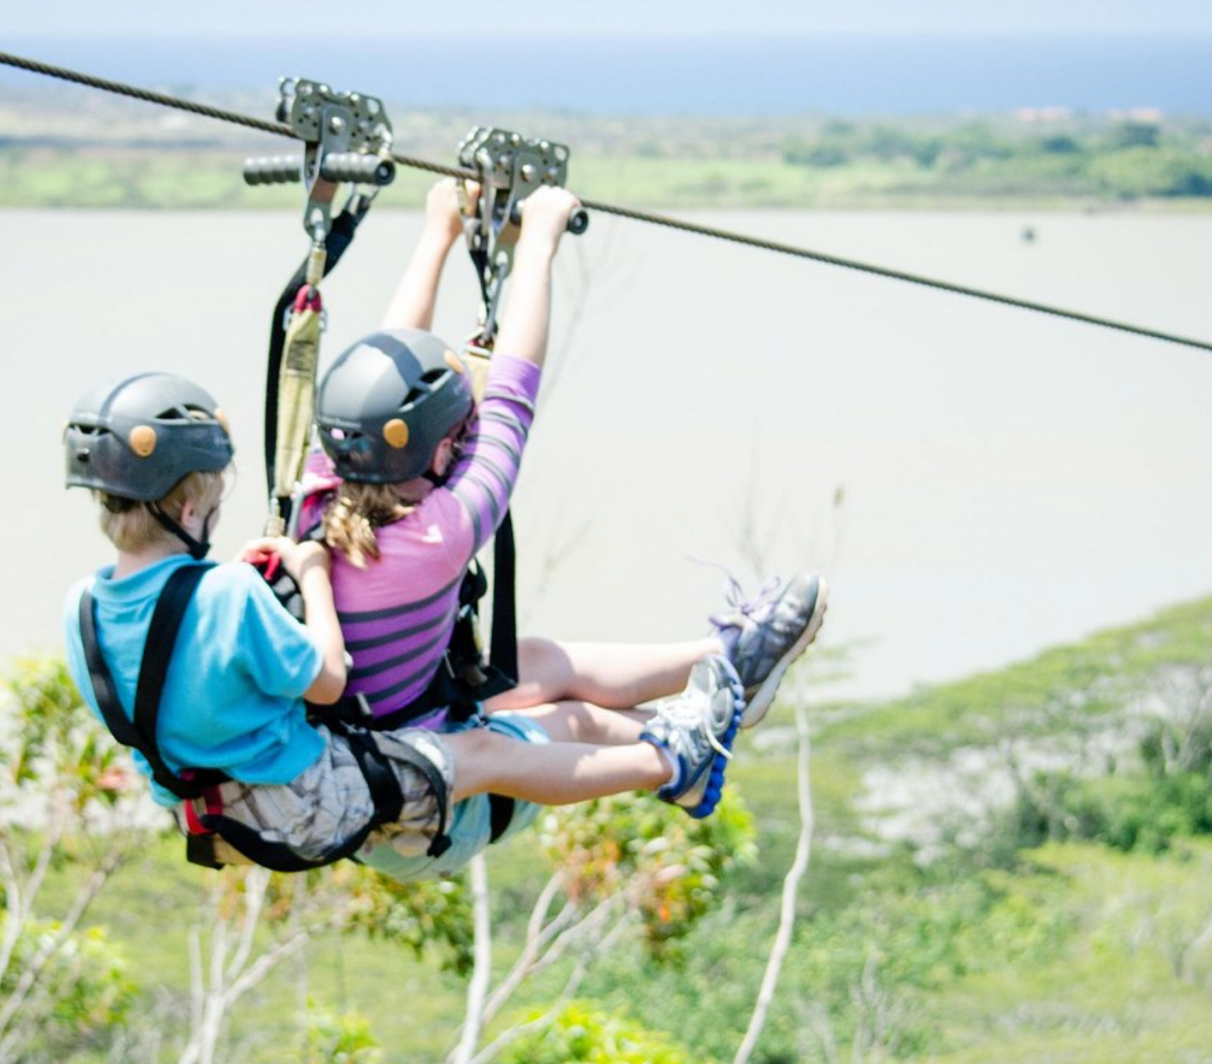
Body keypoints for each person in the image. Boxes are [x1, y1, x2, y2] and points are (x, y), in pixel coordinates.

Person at [297, 179, 827, 879]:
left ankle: (724, 658)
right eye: (455, 434)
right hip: (432, 812)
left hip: (376, 759)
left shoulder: (318, 494)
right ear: (434, 452)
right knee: (570, 717)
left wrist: (439, 233)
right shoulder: (440, 533)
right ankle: (693, 748)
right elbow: (513, 389)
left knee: (535, 660)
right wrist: (540, 242)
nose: (464, 440)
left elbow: (386, 361)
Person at [60, 370, 746, 874]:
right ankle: (670, 759)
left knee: (532, 707)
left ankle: (699, 713)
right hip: (303, 801)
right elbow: (327, 681)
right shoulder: (229, 593)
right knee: (485, 753)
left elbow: (185, 685)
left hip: (217, 817)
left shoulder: (82, 608)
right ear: (186, 510)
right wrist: (314, 577)